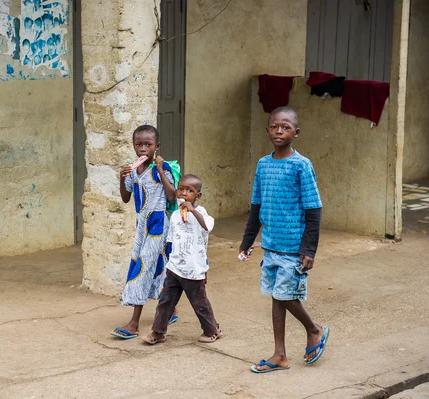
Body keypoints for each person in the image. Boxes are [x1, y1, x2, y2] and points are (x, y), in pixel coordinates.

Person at [239, 106, 329, 373]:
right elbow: (256, 205)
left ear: (296, 132)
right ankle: (279, 355)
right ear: (268, 130)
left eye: (286, 127)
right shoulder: (263, 164)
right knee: (276, 298)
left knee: (286, 296)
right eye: (275, 126)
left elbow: (314, 211)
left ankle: (314, 330)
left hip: (293, 247)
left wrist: (309, 249)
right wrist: (247, 240)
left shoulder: (301, 165)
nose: (279, 131)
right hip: (271, 245)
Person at [111, 125, 177, 339]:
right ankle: (171, 309)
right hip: (142, 226)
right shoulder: (133, 170)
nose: (142, 149)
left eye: (148, 145)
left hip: (158, 225)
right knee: (159, 267)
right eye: (138, 144)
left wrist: (159, 169)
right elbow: (125, 197)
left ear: (157, 146)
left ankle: (134, 323)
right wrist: (122, 178)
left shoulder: (163, 168)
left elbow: (171, 197)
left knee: (142, 267)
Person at [142, 174, 221, 345]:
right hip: (174, 268)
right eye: (181, 189)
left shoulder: (201, 213)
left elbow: (207, 226)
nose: (184, 194)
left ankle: (212, 330)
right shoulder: (176, 215)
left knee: (200, 304)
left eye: (189, 191)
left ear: (197, 195)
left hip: (193, 270)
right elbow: (171, 240)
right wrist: (169, 262)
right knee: (165, 302)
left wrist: (192, 210)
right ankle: (158, 332)